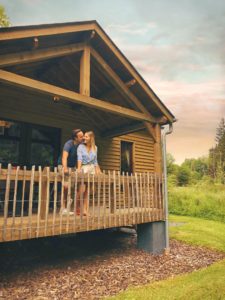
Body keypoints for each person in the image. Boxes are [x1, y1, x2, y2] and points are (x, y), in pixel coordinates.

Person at [59, 128, 84, 215]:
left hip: (73, 167)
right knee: (65, 187)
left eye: (83, 135)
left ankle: (68, 208)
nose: (83, 138)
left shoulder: (80, 146)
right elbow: (64, 157)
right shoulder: (68, 144)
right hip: (64, 165)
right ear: (75, 138)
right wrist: (65, 168)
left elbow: (79, 159)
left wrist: (78, 168)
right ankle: (63, 208)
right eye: (81, 136)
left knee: (73, 187)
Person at [77, 131, 101, 216]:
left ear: (91, 138)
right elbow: (79, 158)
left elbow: (95, 161)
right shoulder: (80, 147)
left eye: (86, 137)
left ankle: (85, 211)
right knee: (82, 190)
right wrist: (79, 169)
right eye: (84, 136)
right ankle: (78, 207)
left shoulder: (95, 148)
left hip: (92, 169)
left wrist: (98, 170)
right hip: (84, 167)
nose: (84, 138)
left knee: (88, 191)